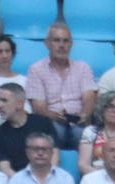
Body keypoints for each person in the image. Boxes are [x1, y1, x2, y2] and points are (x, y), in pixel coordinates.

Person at [25, 22, 97, 150]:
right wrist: (54, 116)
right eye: (56, 40)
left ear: (71, 44)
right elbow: (38, 107)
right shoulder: (36, 69)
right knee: (56, 131)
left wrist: (84, 114)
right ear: (47, 43)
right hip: (51, 121)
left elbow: (89, 97)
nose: (62, 45)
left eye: (66, 41)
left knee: (84, 133)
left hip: (78, 121)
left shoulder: (83, 68)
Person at [0, 83, 57, 177]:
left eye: (4, 101)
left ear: (20, 104)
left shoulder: (43, 123)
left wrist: (45, 180)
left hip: (47, 178)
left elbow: (54, 156)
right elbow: (5, 168)